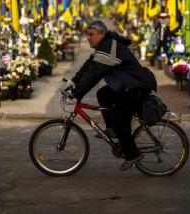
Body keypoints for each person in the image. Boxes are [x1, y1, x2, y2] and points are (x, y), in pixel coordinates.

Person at [65, 20, 157, 171]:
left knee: (118, 116)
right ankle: (114, 129)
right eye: (87, 34)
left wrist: (77, 93)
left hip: (136, 87)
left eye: (91, 35)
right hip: (128, 86)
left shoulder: (109, 46)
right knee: (103, 94)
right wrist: (74, 81)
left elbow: (95, 73)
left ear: (102, 34)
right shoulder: (104, 45)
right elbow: (89, 65)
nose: (88, 37)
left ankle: (132, 154)